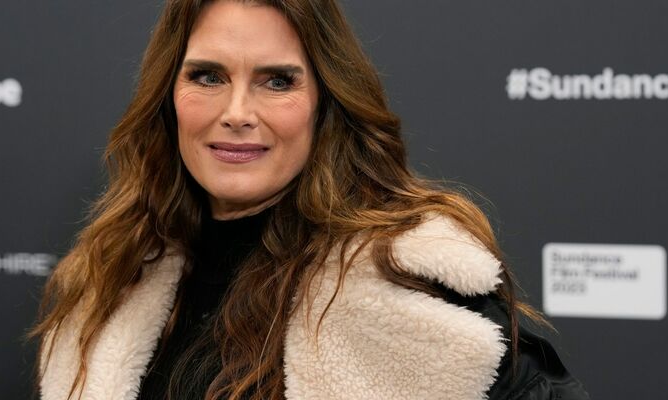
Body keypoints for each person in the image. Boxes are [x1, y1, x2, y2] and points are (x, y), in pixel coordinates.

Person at [30, 0, 590, 399]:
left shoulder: (405, 284)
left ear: (325, 104)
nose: (238, 112)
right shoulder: (115, 275)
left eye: (277, 81)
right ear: (168, 96)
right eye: (207, 76)